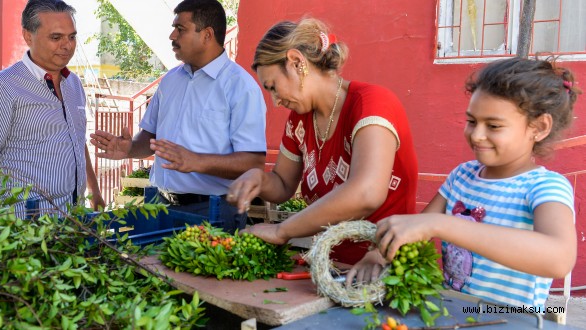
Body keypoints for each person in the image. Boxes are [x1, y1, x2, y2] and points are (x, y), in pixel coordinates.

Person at [349, 57, 579, 309]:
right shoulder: (462, 176)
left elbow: (558, 258)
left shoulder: (545, 187)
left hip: (514, 321)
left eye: (493, 125)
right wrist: (377, 255)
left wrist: (442, 224)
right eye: (472, 121)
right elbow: (417, 232)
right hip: (455, 313)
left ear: (539, 127)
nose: (477, 135)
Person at [227, 18, 418, 265]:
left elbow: (367, 193)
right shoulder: (299, 120)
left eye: (273, 87)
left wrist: (281, 230)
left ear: (297, 62)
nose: (275, 101)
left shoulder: (372, 104)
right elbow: (284, 184)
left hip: (386, 263)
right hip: (332, 266)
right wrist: (259, 179)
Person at [89, 0, 267, 232]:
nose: (172, 36)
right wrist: (129, 149)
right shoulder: (170, 80)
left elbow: (253, 163)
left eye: (180, 29)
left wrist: (196, 161)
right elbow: (150, 138)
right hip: (159, 205)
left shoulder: (240, 87)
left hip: (212, 211)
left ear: (207, 35)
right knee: (147, 269)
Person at [0, 0, 105, 217]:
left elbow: (77, 140)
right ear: (28, 36)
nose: (67, 45)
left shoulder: (74, 84)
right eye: (56, 37)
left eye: (72, 37)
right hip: (23, 227)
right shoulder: (2, 87)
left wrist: (94, 190)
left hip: (73, 221)